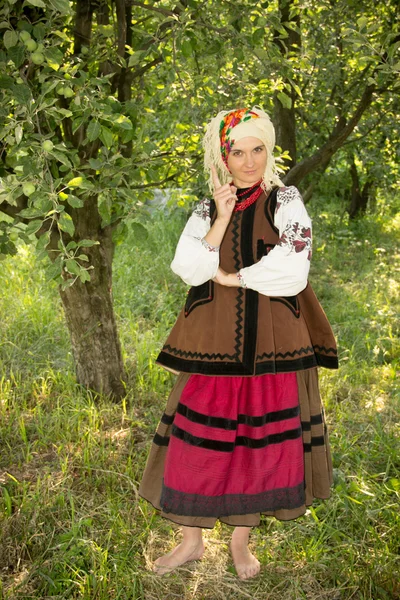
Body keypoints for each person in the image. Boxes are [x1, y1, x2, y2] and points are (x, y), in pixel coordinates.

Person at [139, 107, 338, 580]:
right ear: (222, 157)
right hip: (214, 341)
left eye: (258, 149)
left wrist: (235, 276)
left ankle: (240, 543)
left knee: (258, 441)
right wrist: (222, 217)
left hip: (273, 341)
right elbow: (188, 266)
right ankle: (190, 542)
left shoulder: (284, 199)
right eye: (238, 151)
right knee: (197, 440)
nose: (249, 162)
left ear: (268, 152)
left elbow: (294, 266)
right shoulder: (209, 207)